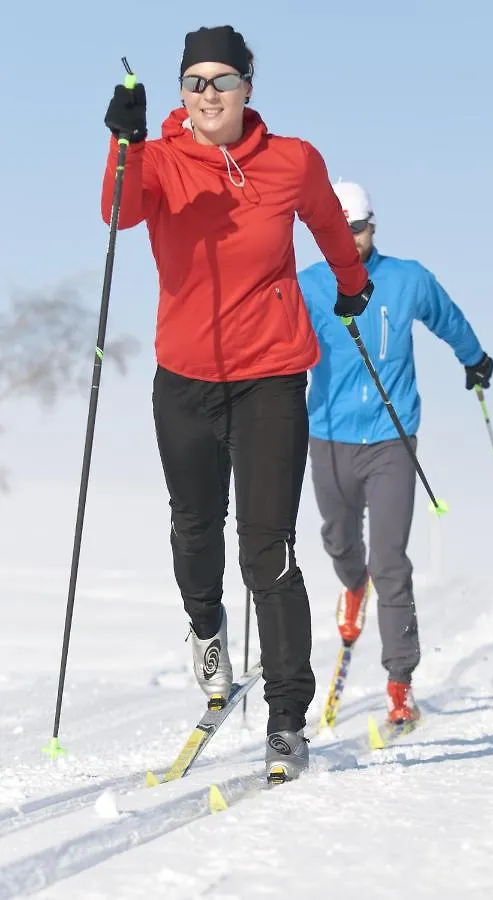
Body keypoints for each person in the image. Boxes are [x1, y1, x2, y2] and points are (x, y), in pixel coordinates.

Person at [100, 27, 373, 780]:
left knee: (267, 549)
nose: (208, 93)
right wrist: (122, 145)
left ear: (250, 85)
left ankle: (287, 718)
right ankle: (206, 628)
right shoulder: (157, 161)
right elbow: (119, 213)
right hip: (184, 376)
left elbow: (326, 228)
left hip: (270, 377)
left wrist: (352, 286)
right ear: (181, 92)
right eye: (194, 81)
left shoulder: (293, 160)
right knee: (193, 527)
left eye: (222, 79)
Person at [298, 181, 493, 725]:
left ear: (371, 227)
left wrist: (473, 357)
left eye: (357, 229)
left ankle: (400, 684)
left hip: (392, 438)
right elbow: (278, 341)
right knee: (339, 541)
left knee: (391, 561)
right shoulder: (308, 286)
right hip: (329, 434)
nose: (350, 240)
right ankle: (350, 586)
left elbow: (446, 317)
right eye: (338, 231)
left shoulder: (407, 278)